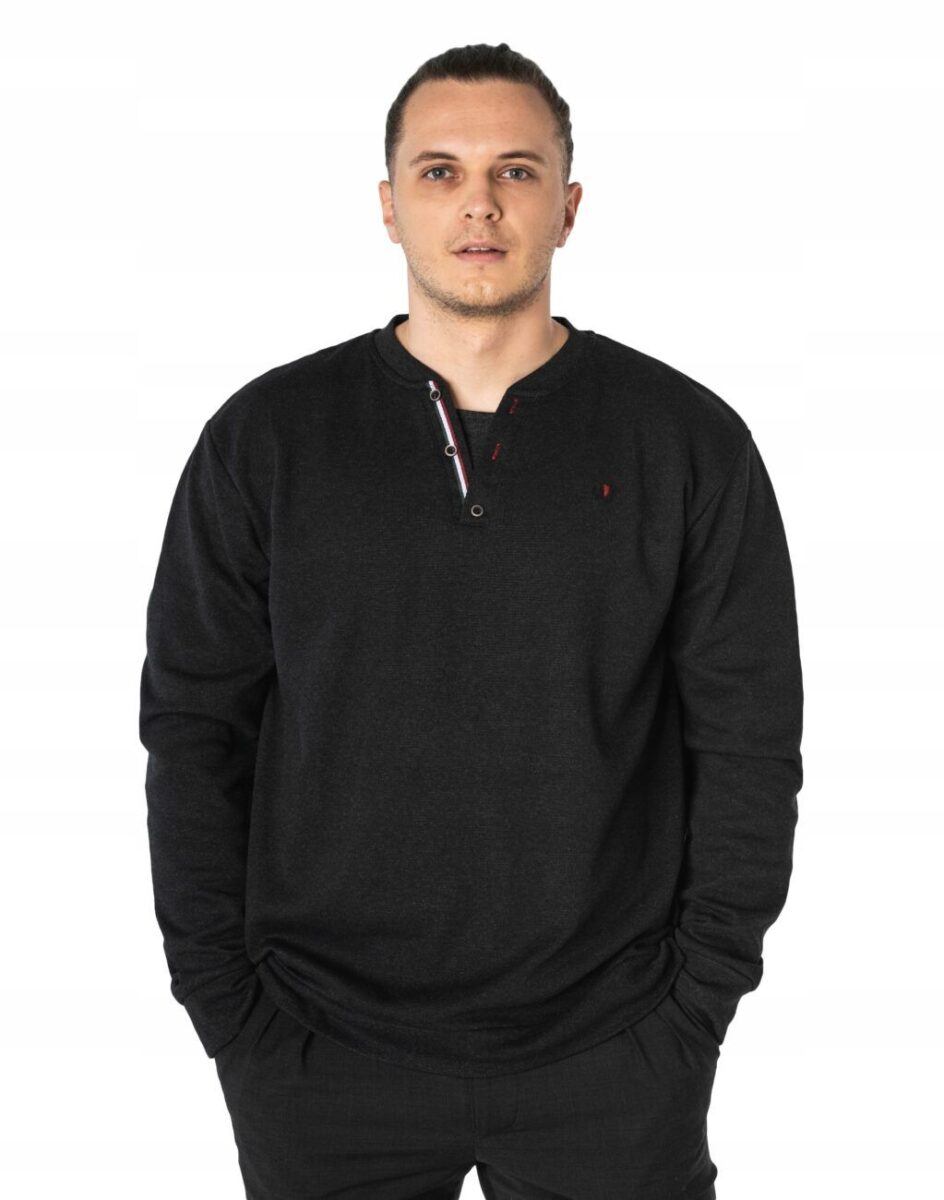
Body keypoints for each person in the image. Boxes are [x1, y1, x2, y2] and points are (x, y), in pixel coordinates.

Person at [139, 41, 804, 1200]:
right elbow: (195, 732)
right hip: (318, 1050)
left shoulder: (687, 442)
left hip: (612, 1052)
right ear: (388, 204)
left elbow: (746, 743)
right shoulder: (266, 440)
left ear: (568, 206)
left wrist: (693, 1005)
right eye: (440, 171)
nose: (479, 205)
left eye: (516, 171)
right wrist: (229, 1012)